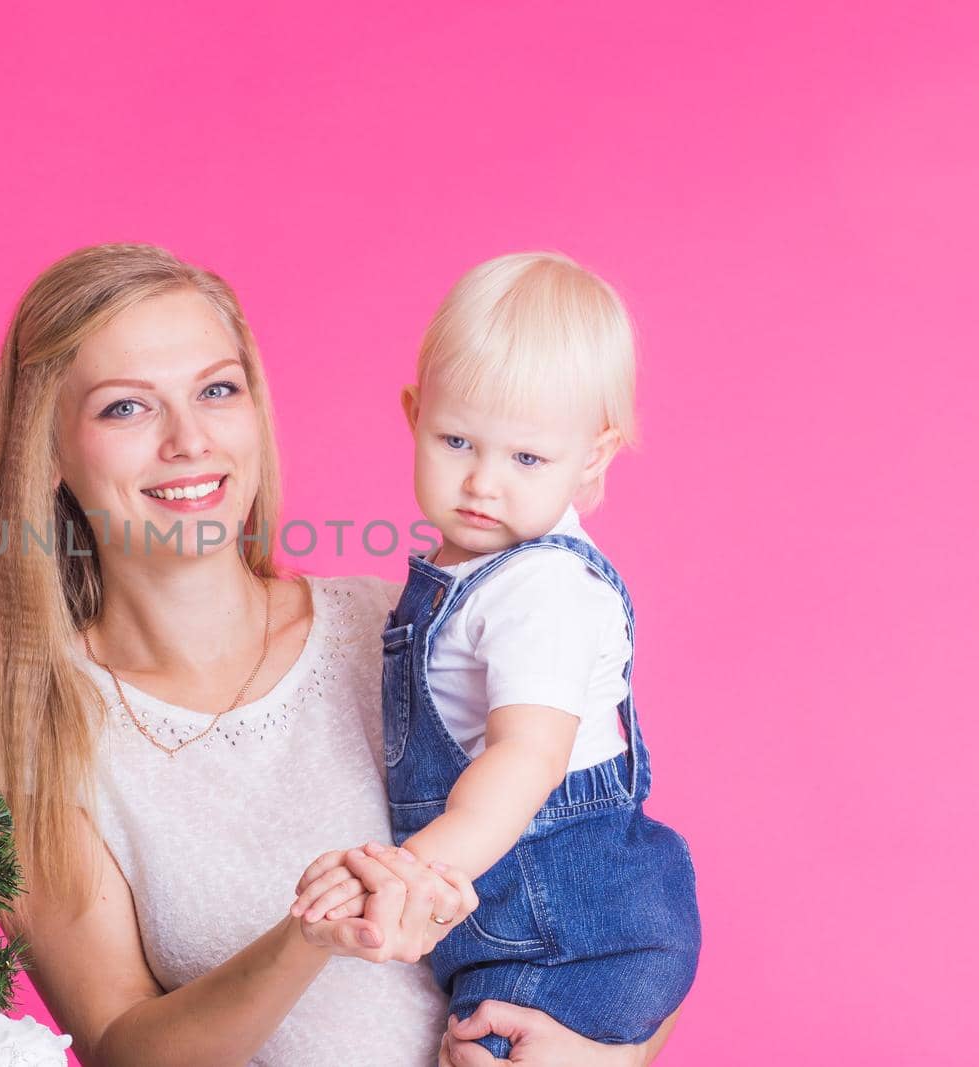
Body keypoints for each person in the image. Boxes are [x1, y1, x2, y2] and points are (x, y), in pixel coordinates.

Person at [0, 243, 679, 1065]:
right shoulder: (19, 717)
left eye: (217, 390)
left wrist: (605, 1056)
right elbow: (121, 1047)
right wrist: (305, 939)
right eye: (126, 408)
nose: (189, 440)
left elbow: (607, 895)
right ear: (47, 449)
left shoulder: (398, 630)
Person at [289, 253, 701, 1058]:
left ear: (593, 456)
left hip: (571, 931)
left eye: (527, 459)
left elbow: (528, 757)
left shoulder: (540, 588)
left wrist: (412, 870)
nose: (483, 482)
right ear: (413, 415)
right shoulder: (472, 575)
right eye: (457, 440)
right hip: (513, 927)